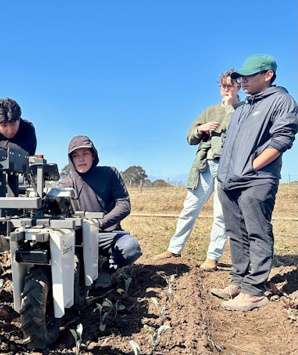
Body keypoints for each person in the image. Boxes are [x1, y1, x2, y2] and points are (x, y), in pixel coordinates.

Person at [211, 54, 298, 311]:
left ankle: (255, 291)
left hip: (257, 181)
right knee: (235, 233)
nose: (243, 81)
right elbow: (229, 143)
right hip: (229, 182)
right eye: (241, 76)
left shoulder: (282, 100)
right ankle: (239, 281)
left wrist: (251, 167)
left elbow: (282, 140)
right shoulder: (244, 107)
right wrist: (225, 175)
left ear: (268, 75)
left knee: (257, 232)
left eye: (249, 76)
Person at [155, 70, 241, 270]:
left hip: (227, 167)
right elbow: (189, 137)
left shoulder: (242, 110)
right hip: (204, 165)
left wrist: (229, 109)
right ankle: (174, 248)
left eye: (230, 86)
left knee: (221, 213)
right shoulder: (209, 111)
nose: (225, 90)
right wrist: (200, 130)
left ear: (238, 87)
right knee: (189, 208)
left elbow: (236, 131)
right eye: (223, 86)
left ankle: (213, 257)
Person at [59, 135, 142, 287]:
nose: (81, 159)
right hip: (78, 239)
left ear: (93, 155)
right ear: (71, 159)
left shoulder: (110, 174)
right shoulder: (66, 184)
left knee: (131, 247)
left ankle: (106, 270)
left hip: (105, 235)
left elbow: (124, 204)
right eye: (76, 155)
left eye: (85, 153)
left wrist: (101, 223)